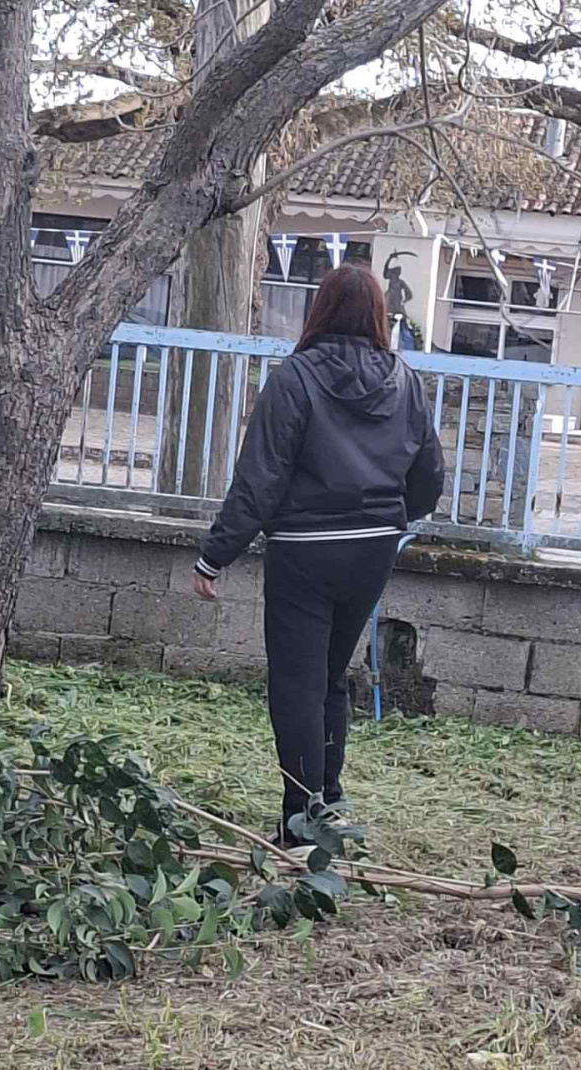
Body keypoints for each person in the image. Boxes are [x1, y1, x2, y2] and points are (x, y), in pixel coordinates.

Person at [193, 263, 445, 846]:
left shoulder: (294, 378)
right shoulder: (405, 381)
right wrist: (391, 516)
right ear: (379, 315)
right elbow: (429, 475)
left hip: (304, 550)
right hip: (373, 549)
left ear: (319, 310)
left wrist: (215, 555)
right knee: (330, 677)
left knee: (297, 685)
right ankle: (328, 798)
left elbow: (260, 478)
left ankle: (300, 819)